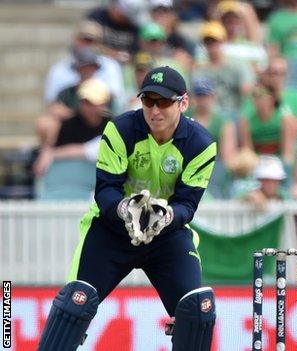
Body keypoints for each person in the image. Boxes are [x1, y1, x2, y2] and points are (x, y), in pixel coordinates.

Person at [37, 66, 217, 351]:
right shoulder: (121, 129)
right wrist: (125, 209)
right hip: (111, 229)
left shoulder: (201, 144)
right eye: (148, 101)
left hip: (165, 234)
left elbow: (187, 204)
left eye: (164, 102)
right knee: (73, 305)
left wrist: (166, 215)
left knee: (197, 310)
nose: (155, 111)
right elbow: (105, 189)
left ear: (183, 103)